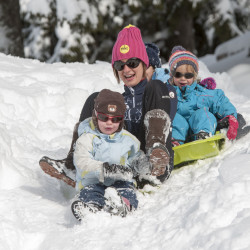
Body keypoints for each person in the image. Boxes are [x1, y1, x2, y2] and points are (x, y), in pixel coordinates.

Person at [40, 24, 174, 188]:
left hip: (151, 166)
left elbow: (174, 115)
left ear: (144, 64)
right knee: (97, 99)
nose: (126, 69)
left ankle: (156, 152)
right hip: (122, 165)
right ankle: (72, 165)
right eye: (120, 65)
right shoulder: (120, 102)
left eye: (132, 63)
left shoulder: (157, 93)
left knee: (156, 86)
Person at [71, 89, 140, 221]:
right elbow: (81, 161)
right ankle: (91, 208)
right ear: (96, 116)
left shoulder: (128, 139)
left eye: (116, 119)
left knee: (128, 192)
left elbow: (135, 157)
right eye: (104, 118)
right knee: (90, 193)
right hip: (92, 181)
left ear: (121, 120)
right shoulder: (87, 138)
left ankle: (123, 205)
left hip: (120, 182)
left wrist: (141, 164)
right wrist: (104, 169)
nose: (109, 123)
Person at [168, 46, 239, 145]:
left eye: (188, 75)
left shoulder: (202, 93)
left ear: (194, 76)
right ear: (172, 76)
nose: (183, 78)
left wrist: (230, 116)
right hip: (179, 135)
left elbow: (220, 101)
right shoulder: (167, 94)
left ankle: (204, 136)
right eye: (178, 75)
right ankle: (173, 143)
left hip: (199, 129)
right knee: (174, 119)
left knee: (203, 114)